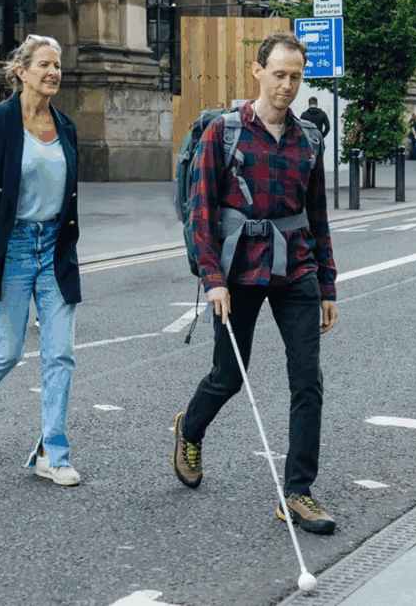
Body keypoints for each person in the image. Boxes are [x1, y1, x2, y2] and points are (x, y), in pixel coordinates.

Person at [171, 30, 340, 535]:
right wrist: (213, 279)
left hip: (296, 271)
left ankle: (298, 492)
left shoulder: (308, 138)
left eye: (295, 76)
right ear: (258, 71)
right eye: (279, 74)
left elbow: (318, 217)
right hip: (238, 272)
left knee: (307, 379)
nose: (287, 85)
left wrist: (328, 286)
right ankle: (191, 426)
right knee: (229, 375)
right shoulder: (222, 134)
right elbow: (199, 214)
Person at [0, 34, 84, 486]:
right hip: (13, 247)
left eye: (58, 66)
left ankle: (52, 452)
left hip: (55, 249)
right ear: (21, 71)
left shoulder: (66, 126)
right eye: (44, 64)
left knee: (60, 352)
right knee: (6, 350)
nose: (53, 73)